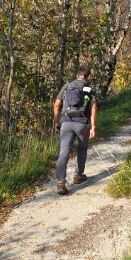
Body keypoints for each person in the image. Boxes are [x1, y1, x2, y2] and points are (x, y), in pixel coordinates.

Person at [52, 66, 97, 195]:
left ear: (77, 75)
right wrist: (93, 126)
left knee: (64, 151)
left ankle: (61, 182)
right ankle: (78, 174)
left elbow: (56, 105)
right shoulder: (89, 89)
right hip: (82, 124)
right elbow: (93, 108)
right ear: (88, 77)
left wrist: (57, 121)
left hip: (66, 122)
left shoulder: (67, 86)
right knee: (82, 148)